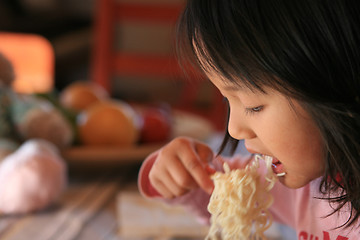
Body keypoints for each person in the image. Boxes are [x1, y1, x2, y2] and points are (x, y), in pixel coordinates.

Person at [138, 0, 360, 238]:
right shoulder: (309, 174)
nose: (234, 129)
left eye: (252, 106)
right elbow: (220, 193)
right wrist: (179, 170)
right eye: (227, 100)